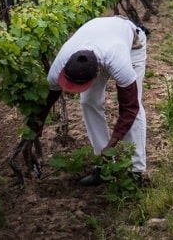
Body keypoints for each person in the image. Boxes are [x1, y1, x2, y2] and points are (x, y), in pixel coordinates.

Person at [27, 15, 149, 186]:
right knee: (87, 102)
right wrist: (35, 127)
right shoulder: (59, 66)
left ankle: (135, 172)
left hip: (132, 43)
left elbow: (130, 108)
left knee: (135, 108)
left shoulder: (119, 62)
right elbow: (48, 100)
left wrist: (113, 143)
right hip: (99, 39)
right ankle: (103, 167)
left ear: (95, 73)